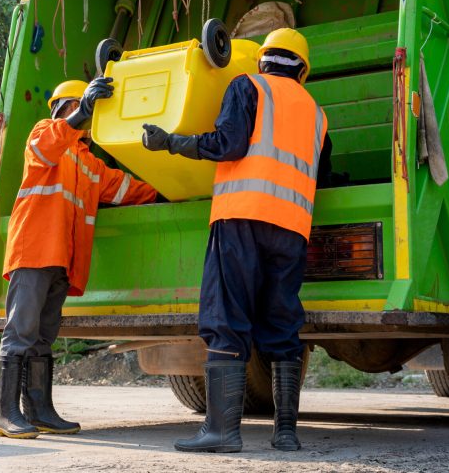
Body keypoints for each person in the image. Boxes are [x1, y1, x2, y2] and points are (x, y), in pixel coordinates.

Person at [141, 28, 331, 453]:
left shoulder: (248, 86)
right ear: (302, 70)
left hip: (241, 218)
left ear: (263, 59)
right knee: (282, 324)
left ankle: (223, 432)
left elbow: (228, 144)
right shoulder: (317, 113)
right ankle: (285, 433)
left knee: (226, 318)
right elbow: (324, 173)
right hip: (291, 229)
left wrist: (170, 142)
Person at [0, 76, 157, 439]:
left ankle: (39, 410)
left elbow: (126, 188)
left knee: (42, 337)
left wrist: (167, 189)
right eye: (84, 108)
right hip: (34, 251)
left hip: (60, 260)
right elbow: (45, 148)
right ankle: (5, 415)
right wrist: (80, 112)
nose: (90, 117)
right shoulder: (45, 132)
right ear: (67, 107)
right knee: (20, 332)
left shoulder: (88, 162)